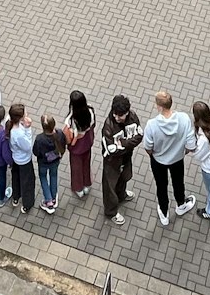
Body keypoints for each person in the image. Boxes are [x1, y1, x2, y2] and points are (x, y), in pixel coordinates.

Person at [142, 92, 197, 226]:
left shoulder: (151, 125)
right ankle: (181, 205)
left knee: (161, 186)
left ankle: (164, 212)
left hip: (158, 161)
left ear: (159, 106)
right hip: (177, 160)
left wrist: (153, 155)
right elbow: (191, 145)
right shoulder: (184, 119)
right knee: (178, 182)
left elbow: (147, 147)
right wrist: (181, 152)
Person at [99, 95, 142, 227]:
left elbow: (139, 136)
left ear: (127, 112)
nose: (117, 118)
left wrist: (122, 144)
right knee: (109, 186)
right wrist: (128, 144)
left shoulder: (133, 117)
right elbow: (112, 150)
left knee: (124, 177)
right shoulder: (108, 126)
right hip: (112, 162)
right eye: (115, 114)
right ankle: (111, 212)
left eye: (120, 115)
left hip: (126, 157)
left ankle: (121, 195)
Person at [63, 91, 95, 201]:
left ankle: (78, 188)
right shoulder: (90, 111)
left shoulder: (71, 120)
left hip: (77, 146)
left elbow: (69, 135)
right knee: (86, 163)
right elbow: (92, 125)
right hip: (87, 141)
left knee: (76, 168)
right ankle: (87, 184)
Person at [5, 104, 34, 214]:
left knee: (16, 178)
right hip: (24, 160)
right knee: (27, 182)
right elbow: (27, 147)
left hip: (15, 158)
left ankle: (16, 197)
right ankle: (27, 204)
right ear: (20, 118)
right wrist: (28, 129)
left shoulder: (10, 124)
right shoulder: (19, 134)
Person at [32, 114, 62, 214]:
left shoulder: (39, 139)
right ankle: (53, 198)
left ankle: (48, 201)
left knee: (43, 177)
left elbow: (35, 152)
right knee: (53, 175)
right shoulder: (60, 134)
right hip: (55, 161)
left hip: (43, 163)